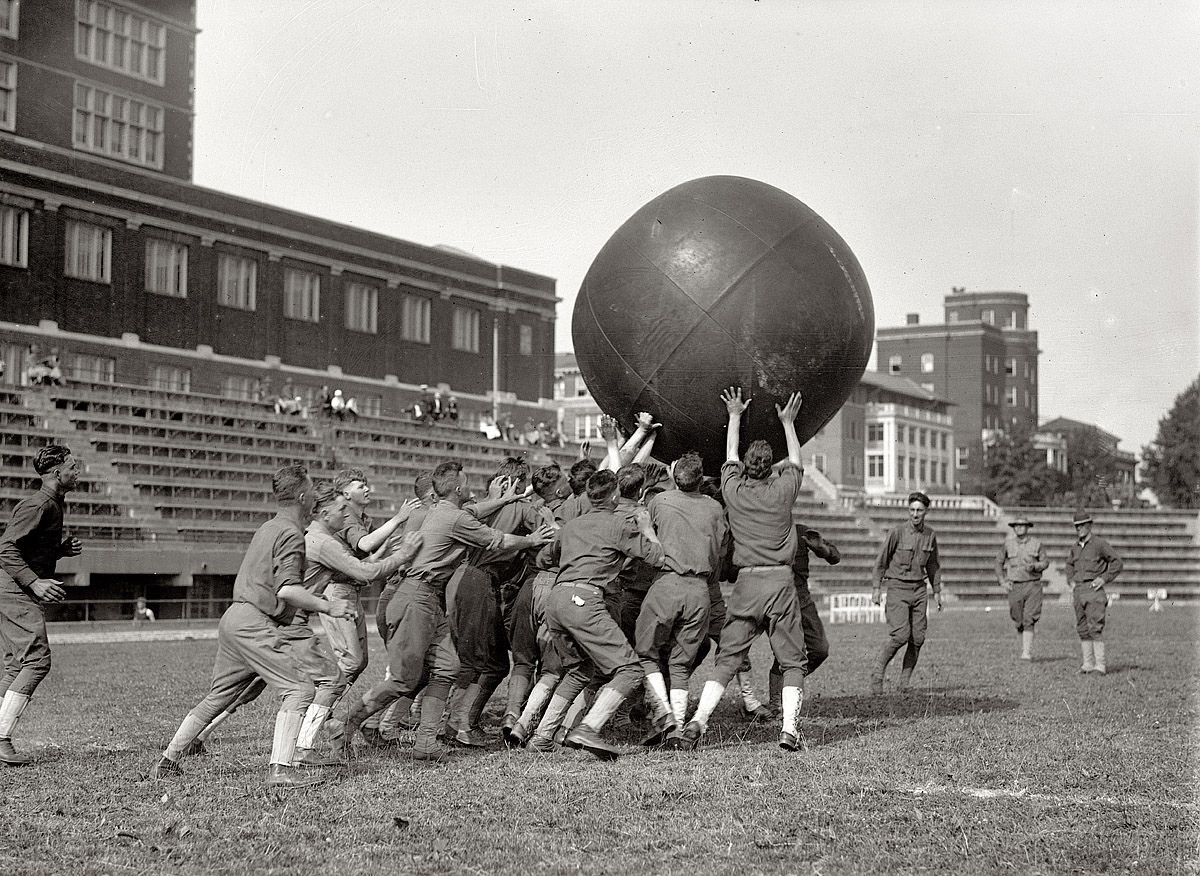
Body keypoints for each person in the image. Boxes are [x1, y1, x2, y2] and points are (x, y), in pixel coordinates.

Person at [150, 464, 356, 788]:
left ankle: (168, 761)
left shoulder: (268, 527)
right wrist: (329, 605)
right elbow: (287, 590)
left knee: (219, 696)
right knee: (300, 688)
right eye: (313, 489)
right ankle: (281, 769)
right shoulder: (291, 533)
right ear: (303, 497)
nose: (316, 495)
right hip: (254, 622)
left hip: (233, 618)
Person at [335, 461, 553, 762]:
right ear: (459, 488)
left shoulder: (443, 511)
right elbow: (496, 540)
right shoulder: (453, 517)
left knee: (448, 666)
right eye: (467, 483)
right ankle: (346, 723)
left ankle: (425, 743)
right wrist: (532, 540)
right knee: (403, 679)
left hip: (427, 598)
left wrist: (502, 499)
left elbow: (475, 512)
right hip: (416, 598)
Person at [680, 387, 809, 753]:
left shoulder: (732, 490)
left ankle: (698, 721)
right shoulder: (784, 489)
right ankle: (788, 730)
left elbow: (730, 454)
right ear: (772, 467)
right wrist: (788, 423)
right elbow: (796, 460)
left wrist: (734, 415)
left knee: (728, 658)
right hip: (781, 582)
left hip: (747, 583)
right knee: (792, 660)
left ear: (746, 469)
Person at [525, 468, 666, 760]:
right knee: (630, 670)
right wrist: (647, 528)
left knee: (579, 670)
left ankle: (542, 736)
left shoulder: (573, 525)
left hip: (557, 599)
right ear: (614, 495)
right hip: (584, 599)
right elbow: (657, 557)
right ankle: (588, 728)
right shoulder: (618, 525)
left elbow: (543, 557)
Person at [294, 483, 421, 764]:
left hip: (279, 620)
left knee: (239, 689)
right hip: (285, 624)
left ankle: (177, 749)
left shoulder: (320, 537)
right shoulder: (324, 541)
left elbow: (362, 566)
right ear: (325, 512)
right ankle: (303, 746)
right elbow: (366, 569)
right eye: (341, 508)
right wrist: (403, 554)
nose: (345, 514)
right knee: (331, 678)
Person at [634, 450, 728, 748]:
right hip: (700, 589)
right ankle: (678, 722)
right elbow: (720, 552)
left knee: (646, 653)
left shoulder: (660, 501)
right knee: (681, 664)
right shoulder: (714, 508)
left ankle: (666, 720)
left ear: (674, 475)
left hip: (667, 582)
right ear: (702, 479)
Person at [0, 445, 82, 765]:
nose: (77, 472)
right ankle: (2, 737)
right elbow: (5, 549)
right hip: (13, 588)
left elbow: (27, 548)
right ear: (55, 472)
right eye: (72, 467)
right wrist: (34, 582)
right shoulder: (38, 505)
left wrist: (59, 551)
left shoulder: (54, 504)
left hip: (10, 586)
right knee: (37, 660)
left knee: (15, 665)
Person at [869, 491, 943, 695]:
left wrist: (937, 591)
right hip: (897, 588)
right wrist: (876, 588)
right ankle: (877, 674)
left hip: (919, 590)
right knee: (900, 635)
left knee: (918, 638)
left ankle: (904, 683)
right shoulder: (897, 532)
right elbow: (881, 560)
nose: (915, 514)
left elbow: (933, 564)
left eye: (919, 510)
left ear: (926, 511)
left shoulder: (931, 535)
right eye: (912, 510)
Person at [1065, 510, 1123, 675]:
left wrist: (1104, 579)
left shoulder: (1099, 544)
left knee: (1095, 628)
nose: (1080, 529)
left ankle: (1100, 665)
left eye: (1083, 525)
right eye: (1077, 526)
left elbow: (1117, 562)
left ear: (1089, 525)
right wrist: (1070, 579)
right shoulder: (1075, 547)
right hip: (1079, 590)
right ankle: (1088, 664)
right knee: (1082, 628)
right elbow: (1069, 565)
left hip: (1093, 590)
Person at [995, 516, 1049, 660]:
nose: (1019, 528)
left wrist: (1036, 566)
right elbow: (998, 562)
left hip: (1033, 584)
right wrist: (1002, 581)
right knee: (1017, 618)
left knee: (1029, 618)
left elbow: (1045, 562)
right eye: (1016, 526)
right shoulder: (1008, 544)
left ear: (1027, 527)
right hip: (1015, 585)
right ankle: (1022, 636)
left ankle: (1026, 652)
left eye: (1022, 525)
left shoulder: (1036, 544)